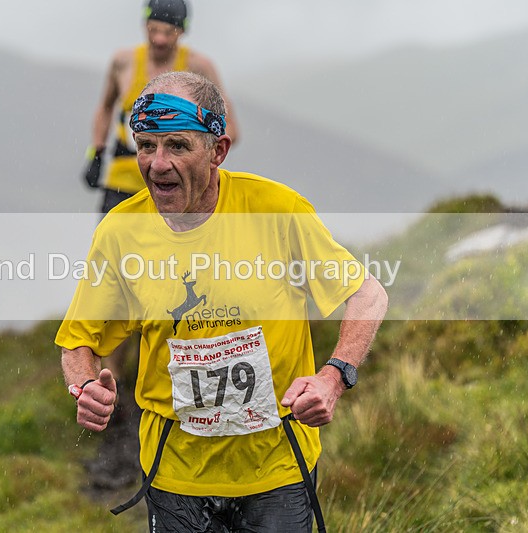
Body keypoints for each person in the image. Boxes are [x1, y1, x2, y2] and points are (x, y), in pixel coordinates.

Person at [58, 72, 388, 532]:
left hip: (276, 468)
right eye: (146, 145)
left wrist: (334, 377)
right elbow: (78, 341)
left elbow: (367, 294)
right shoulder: (120, 232)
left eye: (177, 145)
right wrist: (85, 387)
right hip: (175, 476)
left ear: (218, 151)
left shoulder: (276, 209)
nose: (157, 163)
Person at [83, 0, 239, 214]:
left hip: (175, 186)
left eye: (169, 32)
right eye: (153, 30)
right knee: (112, 244)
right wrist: (96, 153)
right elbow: (105, 107)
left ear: (183, 30)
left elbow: (229, 127)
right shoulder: (123, 62)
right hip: (123, 181)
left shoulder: (199, 67)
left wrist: (200, 156)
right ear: (144, 24)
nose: (159, 39)